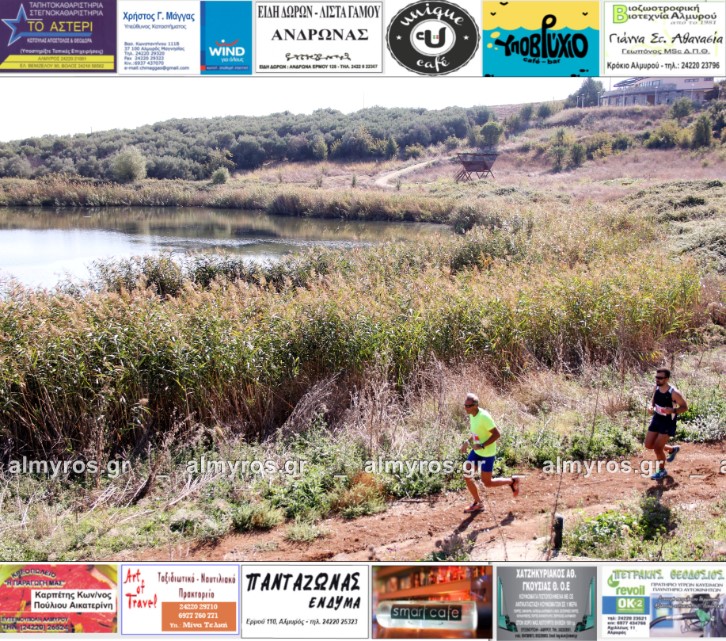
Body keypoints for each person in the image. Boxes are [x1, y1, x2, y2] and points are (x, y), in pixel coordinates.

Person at [460, 393, 520, 513]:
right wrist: (467, 441)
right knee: (467, 475)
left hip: (487, 453)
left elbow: (497, 434)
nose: (465, 408)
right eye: (465, 405)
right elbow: (476, 432)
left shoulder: (484, 417)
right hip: (477, 452)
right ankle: (478, 503)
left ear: (476, 405)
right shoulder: (472, 414)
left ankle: (512, 481)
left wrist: (482, 445)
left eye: (468, 406)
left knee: (487, 482)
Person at [644, 368, 688, 480]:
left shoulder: (674, 393)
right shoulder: (656, 387)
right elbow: (653, 401)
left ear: (667, 379)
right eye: (656, 377)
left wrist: (673, 410)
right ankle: (672, 449)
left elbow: (684, 407)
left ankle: (662, 470)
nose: (657, 379)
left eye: (660, 378)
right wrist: (650, 407)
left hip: (668, 421)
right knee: (648, 444)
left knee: (658, 448)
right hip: (657, 418)